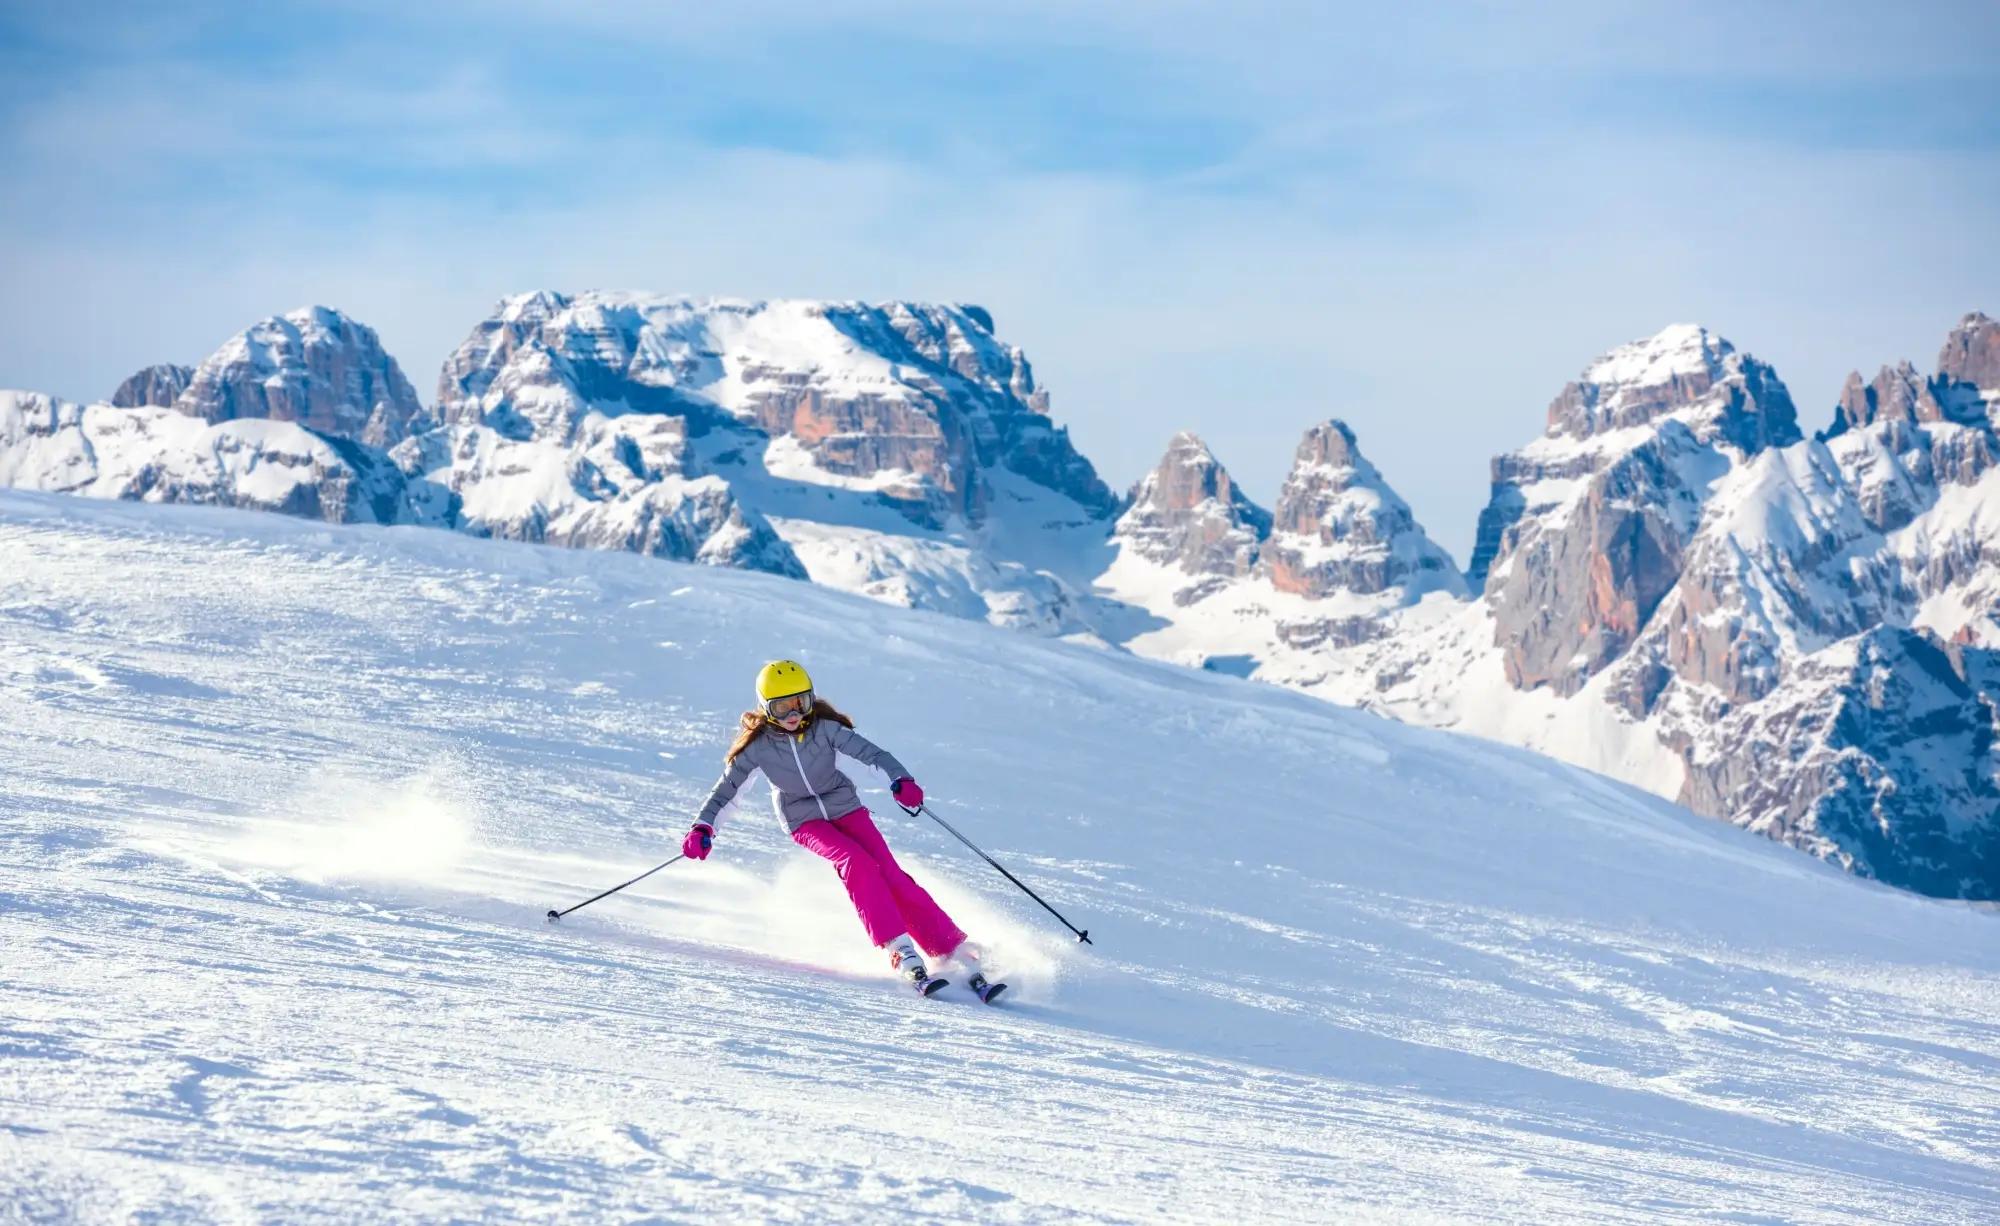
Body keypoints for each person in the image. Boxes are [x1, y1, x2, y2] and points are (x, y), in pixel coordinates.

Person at [682, 660, 1003, 1001]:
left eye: (800, 703)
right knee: (855, 862)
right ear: (766, 708)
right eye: (782, 707)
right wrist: (703, 826)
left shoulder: (825, 730)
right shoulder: (758, 748)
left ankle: (950, 947)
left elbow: (872, 755)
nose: (793, 714)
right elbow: (726, 791)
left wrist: (900, 780)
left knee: (891, 875)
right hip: (804, 820)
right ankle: (899, 949)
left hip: (846, 807)